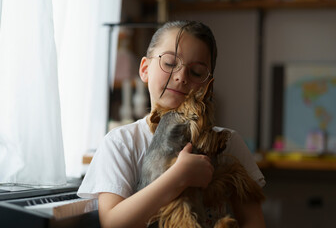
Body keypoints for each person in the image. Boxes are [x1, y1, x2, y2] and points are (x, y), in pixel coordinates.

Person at [78, 20, 266, 228]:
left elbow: (252, 220)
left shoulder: (229, 144)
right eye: (169, 63)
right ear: (144, 69)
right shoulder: (120, 143)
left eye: (196, 72)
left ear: (208, 86)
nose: (181, 76)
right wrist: (179, 177)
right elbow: (113, 223)